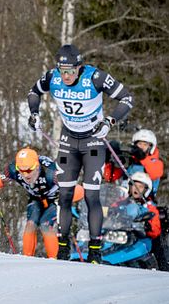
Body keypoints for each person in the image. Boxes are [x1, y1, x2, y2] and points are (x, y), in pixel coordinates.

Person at [27, 44, 133, 263]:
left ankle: (95, 250)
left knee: (91, 195)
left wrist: (109, 122)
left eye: (71, 71)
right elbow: (34, 91)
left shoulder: (95, 78)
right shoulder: (52, 77)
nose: (66, 75)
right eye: (62, 70)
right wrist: (34, 114)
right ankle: (63, 248)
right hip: (69, 140)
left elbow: (127, 98)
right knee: (64, 195)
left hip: (93, 141)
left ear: (79, 68)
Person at [0, 148, 67, 259]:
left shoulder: (50, 171)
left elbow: (72, 186)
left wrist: (71, 196)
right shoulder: (14, 169)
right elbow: (2, 178)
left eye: (29, 170)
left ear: (37, 166)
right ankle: (27, 258)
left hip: (55, 199)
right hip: (36, 199)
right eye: (21, 170)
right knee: (30, 224)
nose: (25, 174)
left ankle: (55, 259)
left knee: (45, 224)